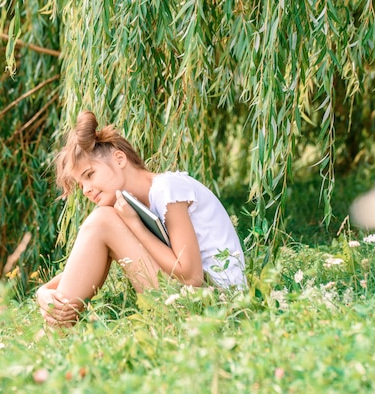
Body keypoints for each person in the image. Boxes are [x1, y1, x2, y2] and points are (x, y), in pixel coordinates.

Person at [36, 110, 246, 326]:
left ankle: (55, 331)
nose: (86, 190)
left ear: (119, 159)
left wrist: (136, 225)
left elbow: (191, 277)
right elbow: (85, 263)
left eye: (89, 175)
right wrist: (44, 290)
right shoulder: (135, 203)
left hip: (218, 308)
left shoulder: (167, 189)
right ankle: (56, 326)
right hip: (193, 303)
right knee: (104, 219)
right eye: (81, 185)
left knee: (102, 220)